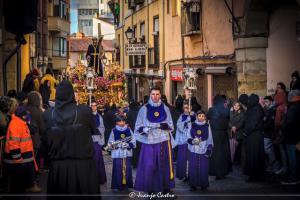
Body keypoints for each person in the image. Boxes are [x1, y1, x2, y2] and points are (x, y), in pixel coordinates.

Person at [42, 80, 100, 199]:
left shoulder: (48, 115)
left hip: (59, 169)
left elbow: (45, 142)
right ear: (72, 94)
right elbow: (93, 130)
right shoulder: (85, 111)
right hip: (83, 168)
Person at [134, 86, 176, 194]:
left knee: (164, 165)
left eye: (157, 94)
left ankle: (166, 188)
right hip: (149, 142)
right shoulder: (144, 109)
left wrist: (164, 126)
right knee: (149, 165)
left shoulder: (166, 108)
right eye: (153, 94)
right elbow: (138, 126)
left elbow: (171, 125)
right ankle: (150, 189)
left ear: (160, 95)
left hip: (163, 141)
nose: (155, 96)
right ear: (150, 95)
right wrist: (144, 129)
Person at [4, 105, 37, 195]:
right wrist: (18, 158)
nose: (27, 117)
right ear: (22, 116)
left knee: (20, 185)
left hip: (21, 160)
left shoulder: (20, 122)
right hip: (17, 161)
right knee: (17, 187)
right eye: (25, 115)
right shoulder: (16, 124)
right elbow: (14, 143)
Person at [187, 111, 213, 191]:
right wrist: (193, 141)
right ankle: (193, 185)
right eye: (199, 116)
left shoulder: (207, 126)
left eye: (203, 116)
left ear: (205, 117)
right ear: (197, 117)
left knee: (203, 168)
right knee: (193, 167)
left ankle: (203, 184)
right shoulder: (192, 125)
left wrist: (209, 148)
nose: (201, 117)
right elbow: (188, 136)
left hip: (203, 148)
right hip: (194, 149)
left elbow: (210, 138)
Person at [107, 115, 135, 190]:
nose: (122, 122)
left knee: (127, 169)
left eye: (123, 121)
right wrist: (118, 145)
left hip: (127, 153)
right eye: (119, 121)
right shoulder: (114, 130)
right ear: (116, 122)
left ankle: (127, 185)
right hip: (117, 153)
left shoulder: (129, 130)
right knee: (117, 169)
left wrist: (127, 145)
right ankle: (117, 185)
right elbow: (110, 142)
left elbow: (133, 141)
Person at [207, 95, 231, 180]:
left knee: (215, 153)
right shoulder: (226, 110)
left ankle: (215, 172)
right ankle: (223, 172)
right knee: (223, 153)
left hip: (214, 134)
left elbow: (207, 118)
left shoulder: (211, 109)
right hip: (223, 134)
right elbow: (229, 120)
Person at [25, 91, 45, 192]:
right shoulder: (38, 112)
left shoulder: (24, 109)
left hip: (24, 140)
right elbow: (42, 128)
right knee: (34, 162)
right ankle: (33, 183)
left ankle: (27, 182)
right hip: (35, 140)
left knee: (27, 162)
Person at [243, 94, 265, 182]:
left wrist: (246, 132)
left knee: (254, 156)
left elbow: (252, 123)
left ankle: (254, 176)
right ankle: (256, 175)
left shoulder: (255, 109)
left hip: (254, 136)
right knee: (255, 156)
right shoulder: (255, 108)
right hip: (254, 135)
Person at [281, 90, 300, 184]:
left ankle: (294, 178)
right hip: (296, 137)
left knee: (293, 158)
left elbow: (289, 123)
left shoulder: (293, 108)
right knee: (296, 158)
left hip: (291, 137)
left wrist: (283, 126)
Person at [175, 102, 195, 181]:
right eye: (185, 108)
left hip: (192, 139)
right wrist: (186, 123)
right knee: (183, 157)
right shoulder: (182, 116)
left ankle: (191, 174)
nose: (187, 109)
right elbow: (179, 126)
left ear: (191, 108)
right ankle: (183, 174)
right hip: (183, 140)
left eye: (188, 107)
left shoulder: (194, 116)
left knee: (191, 158)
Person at [262, 96, 282, 174]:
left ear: (271, 101)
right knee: (267, 150)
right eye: (264, 102)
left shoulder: (272, 110)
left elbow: (270, 123)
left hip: (269, 133)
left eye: (267, 101)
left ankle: (276, 166)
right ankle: (272, 166)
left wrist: (264, 128)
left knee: (269, 150)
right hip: (266, 133)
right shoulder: (267, 110)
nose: (265, 103)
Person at [90, 100, 107, 185]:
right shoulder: (88, 116)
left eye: (94, 105)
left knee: (97, 160)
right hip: (89, 141)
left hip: (97, 141)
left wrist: (96, 130)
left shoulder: (99, 117)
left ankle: (99, 178)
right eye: (92, 106)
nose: (93, 107)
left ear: (96, 107)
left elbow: (103, 128)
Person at [126, 100, 140, 168]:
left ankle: (133, 163)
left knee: (133, 148)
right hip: (139, 133)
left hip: (131, 132)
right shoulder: (139, 113)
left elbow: (126, 123)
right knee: (138, 148)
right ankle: (139, 162)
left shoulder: (129, 113)